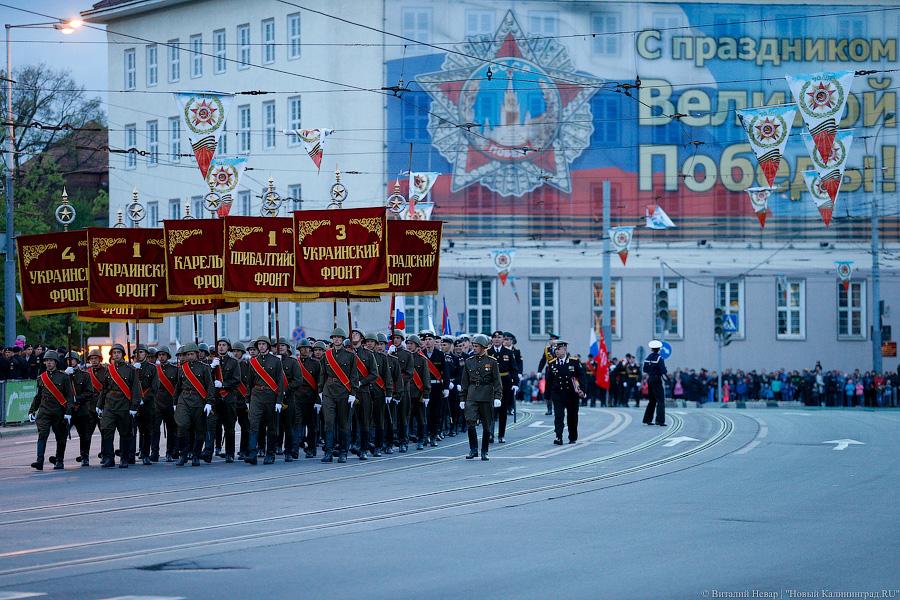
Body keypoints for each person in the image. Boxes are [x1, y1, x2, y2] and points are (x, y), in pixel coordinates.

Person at [318, 327, 359, 463]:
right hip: (328, 391)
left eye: (339, 337)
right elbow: (322, 374)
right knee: (329, 423)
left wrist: (353, 393)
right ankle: (328, 452)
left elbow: (354, 376)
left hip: (344, 392)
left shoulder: (350, 356)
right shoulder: (327, 355)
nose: (336, 339)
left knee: (343, 424)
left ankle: (343, 452)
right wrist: (320, 391)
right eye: (334, 337)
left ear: (342, 339)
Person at [28, 351, 73, 470]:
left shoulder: (64, 377)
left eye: (51, 360)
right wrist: (32, 410)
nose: (48, 363)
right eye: (47, 361)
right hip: (44, 411)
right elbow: (38, 396)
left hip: (59, 411)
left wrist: (68, 412)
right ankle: (39, 461)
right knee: (42, 435)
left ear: (56, 362)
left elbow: (69, 396)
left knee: (60, 436)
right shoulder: (41, 378)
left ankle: (59, 460)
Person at [98, 343, 141, 468]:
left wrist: (134, 407)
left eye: (118, 352)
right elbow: (104, 389)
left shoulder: (130, 369)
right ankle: (109, 458)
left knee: (125, 433)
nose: (116, 355)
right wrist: (99, 405)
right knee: (106, 430)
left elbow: (135, 389)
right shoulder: (109, 369)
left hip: (124, 404)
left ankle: (124, 458)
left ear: (123, 354)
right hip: (109, 405)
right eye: (114, 353)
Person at [460, 334, 502, 461]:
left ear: (484, 347)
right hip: (472, 395)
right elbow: (464, 382)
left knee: (486, 425)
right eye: (473, 346)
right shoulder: (469, 361)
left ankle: (484, 451)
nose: (474, 348)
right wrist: (462, 398)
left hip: (486, 395)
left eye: (477, 346)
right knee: (470, 422)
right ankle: (473, 449)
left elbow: (497, 381)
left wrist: (498, 397)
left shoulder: (492, 362)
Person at [173, 343, 215, 467]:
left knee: (199, 429)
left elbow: (210, 386)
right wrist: (175, 402)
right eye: (187, 354)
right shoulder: (182, 368)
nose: (190, 356)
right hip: (184, 399)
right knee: (182, 425)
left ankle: (196, 455)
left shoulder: (204, 368)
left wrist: (209, 402)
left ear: (197, 354)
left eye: (192, 354)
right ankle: (183, 454)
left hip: (198, 400)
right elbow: (178, 386)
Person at [245, 336, 285, 465]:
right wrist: (248, 399)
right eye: (259, 344)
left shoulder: (276, 361)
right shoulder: (253, 362)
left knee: (271, 426)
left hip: (271, 396)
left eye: (263, 344)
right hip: (256, 396)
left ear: (268, 346)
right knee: (253, 424)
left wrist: (279, 401)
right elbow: (249, 382)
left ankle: (270, 454)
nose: (261, 346)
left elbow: (280, 382)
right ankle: (252, 453)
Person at [206, 337, 241, 463]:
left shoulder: (233, 362)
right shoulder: (211, 362)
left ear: (228, 347)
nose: (221, 347)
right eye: (219, 345)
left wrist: (223, 384)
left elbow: (236, 380)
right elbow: (205, 379)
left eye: (224, 345)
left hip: (228, 398)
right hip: (215, 399)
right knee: (211, 426)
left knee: (229, 427)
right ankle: (208, 452)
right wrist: (211, 367)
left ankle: (230, 453)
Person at [544, 341, 585, 445]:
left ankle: (572, 437)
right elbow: (549, 381)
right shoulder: (552, 363)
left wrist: (582, 390)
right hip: (558, 394)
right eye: (555, 349)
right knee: (558, 416)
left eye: (559, 349)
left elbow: (582, 377)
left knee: (572, 417)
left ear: (565, 349)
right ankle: (558, 436)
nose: (556, 351)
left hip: (571, 394)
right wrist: (547, 395)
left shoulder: (574, 361)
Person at [487, 330, 519, 444]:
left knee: (503, 410)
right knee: (491, 410)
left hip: (505, 383)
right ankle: (490, 434)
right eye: (494, 337)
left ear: (502, 339)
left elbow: (514, 369)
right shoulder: (487, 352)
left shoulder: (508, 352)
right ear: (492, 339)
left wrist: (515, 383)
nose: (497, 339)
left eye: (499, 337)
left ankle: (501, 435)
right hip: (490, 383)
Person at [293, 338, 322, 459]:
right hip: (297, 398)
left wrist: (318, 400)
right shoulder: (295, 363)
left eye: (307, 348)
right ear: (299, 350)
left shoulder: (316, 364)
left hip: (311, 398)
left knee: (312, 425)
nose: (305, 350)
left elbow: (319, 383)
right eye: (302, 348)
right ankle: (294, 449)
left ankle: (311, 448)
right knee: (297, 424)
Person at [366, 331, 393, 457]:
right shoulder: (360, 356)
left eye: (372, 342)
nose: (369, 344)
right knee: (365, 420)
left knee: (379, 420)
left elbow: (387, 376)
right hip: (365, 392)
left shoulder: (382, 358)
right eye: (367, 342)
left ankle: (378, 446)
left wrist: (388, 392)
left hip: (378, 391)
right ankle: (366, 444)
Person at [421, 331, 450, 447]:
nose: (427, 341)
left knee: (436, 413)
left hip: (437, 387)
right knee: (425, 413)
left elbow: (445, 372)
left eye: (430, 339)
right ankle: (425, 436)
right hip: (424, 388)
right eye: (426, 340)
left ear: (434, 341)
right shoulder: (421, 354)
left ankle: (433, 436)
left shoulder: (440, 354)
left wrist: (446, 387)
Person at [151, 346, 178, 462]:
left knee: (171, 429)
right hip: (156, 404)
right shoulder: (154, 369)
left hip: (169, 403)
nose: (161, 357)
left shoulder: (175, 369)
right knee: (155, 429)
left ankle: (170, 452)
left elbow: (177, 387)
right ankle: (154, 453)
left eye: (163, 355)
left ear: (168, 356)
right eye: (159, 355)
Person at [390, 330, 415, 453]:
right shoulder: (388, 354)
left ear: (402, 340)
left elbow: (409, 373)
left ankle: (403, 442)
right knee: (389, 417)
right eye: (394, 338)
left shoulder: (407, 354)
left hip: (403, 390)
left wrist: (397, 382)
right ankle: (389, 442)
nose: (395, 340)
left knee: (402, 417)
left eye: (398, 338)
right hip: (390, 390)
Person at [404, 334, 431, 450]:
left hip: (418, 393)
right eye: (408, 344)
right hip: (405, 393)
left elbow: (426, 377)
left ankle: (421, 439)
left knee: (421, 418)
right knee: (405, 418)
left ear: (416, 345)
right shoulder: (403, 357)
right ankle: (404, 441)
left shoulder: (422, 359)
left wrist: (426, 393)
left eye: (411, 344)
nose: (409, 346)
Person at [641, 340, 668, 426]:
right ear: (659, 349)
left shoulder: (647, 358)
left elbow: (644, 369)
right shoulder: (659, 358)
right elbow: (663, 370)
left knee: (652, 400)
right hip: (657, 380)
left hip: (650, 379)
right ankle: (660, 420)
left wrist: (651, 371)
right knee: (660, 400)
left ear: (651, 349)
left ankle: (647, 419)